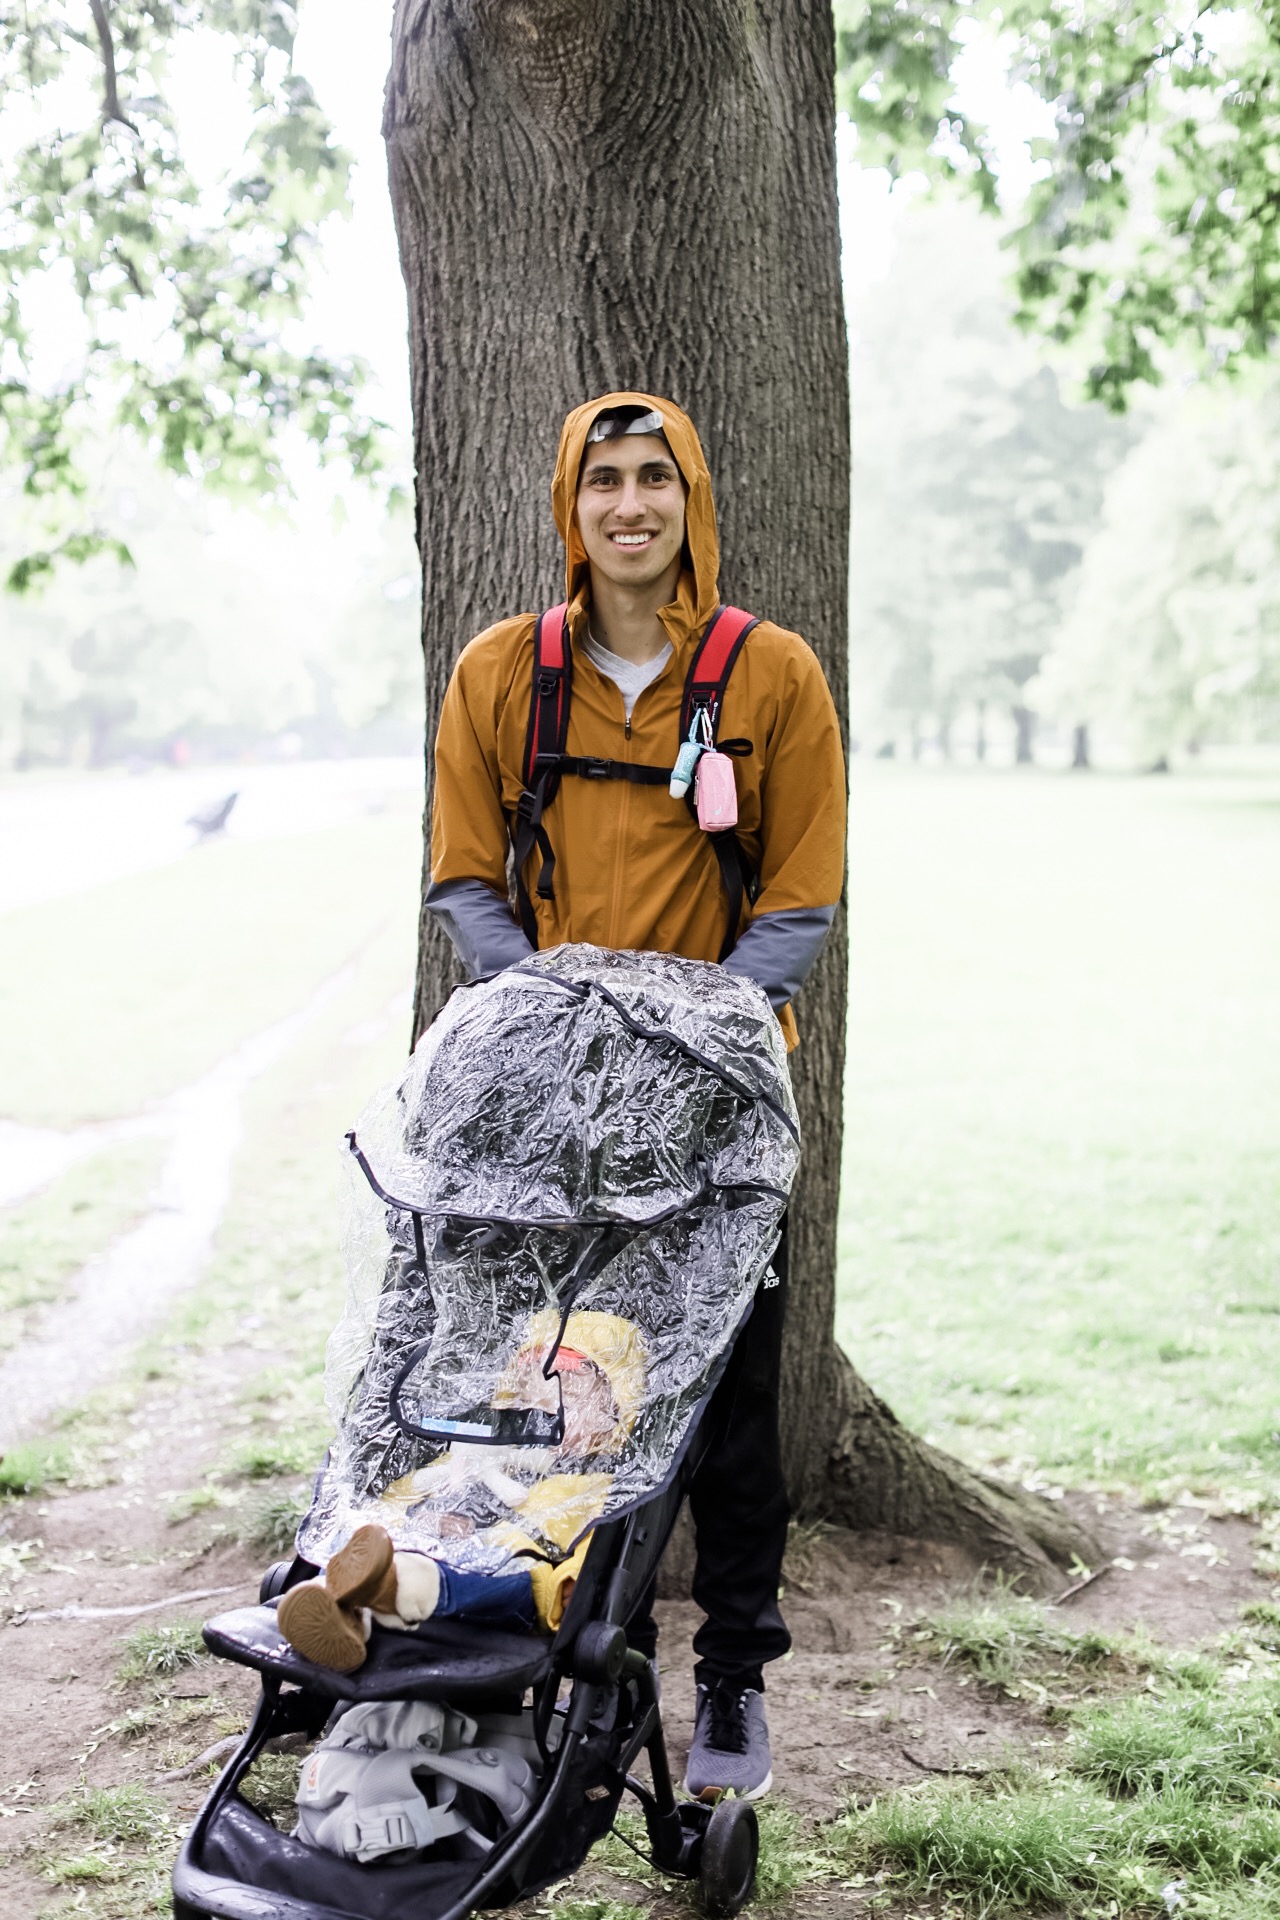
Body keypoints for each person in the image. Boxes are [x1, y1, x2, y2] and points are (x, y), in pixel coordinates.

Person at [424, 390, 846, 1800]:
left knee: (725, 1403)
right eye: (603, 480)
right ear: (570, 504)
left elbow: (800, 897)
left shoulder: (771, 676)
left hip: (714, 1109)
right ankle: (516, 1641)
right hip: (539, 1109)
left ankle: (731, 1677)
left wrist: (698, 1032)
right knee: (529, 1387)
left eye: (653, 479)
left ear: (691, 502)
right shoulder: (501, 673)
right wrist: (552, 1015)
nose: (629, 505)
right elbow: (465, 879)